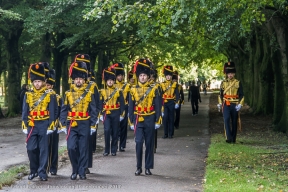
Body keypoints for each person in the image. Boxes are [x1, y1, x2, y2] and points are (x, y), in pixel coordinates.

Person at [59, 61, 98, 180]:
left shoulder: (89, 93)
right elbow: (64, 110)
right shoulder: (67, 94)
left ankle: (81, 171)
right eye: (76, 79)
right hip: (72, 123)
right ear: (73, 80)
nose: (78, 81)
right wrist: (63, 124)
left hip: (85, 123)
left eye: (81, 79)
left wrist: (93, 124)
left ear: (84, 80)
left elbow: (93, 110)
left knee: (83, 148)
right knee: (71, 147)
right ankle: (74, 169)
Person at [22, 63, 56, 181]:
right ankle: (33, 170)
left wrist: (51, 125)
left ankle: (42, 172)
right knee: (31, 148)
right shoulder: (28, 94)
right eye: (35, 81)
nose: (37, 84)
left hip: (44, 124)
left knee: (43, 149)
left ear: (43, 81)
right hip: (32, 125)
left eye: (39, 81)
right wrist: (24, 124)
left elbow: (52, 111)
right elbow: (25, 111)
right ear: (32, 82)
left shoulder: (50, 94)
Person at [128, 58, 162, 176]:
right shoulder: (132, 89)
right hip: (138, 118)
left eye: (144, 75)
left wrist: (158, 120)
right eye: (141, 75)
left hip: (150, 118)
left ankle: (148, 167)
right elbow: (130, 107)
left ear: (148, 76)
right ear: (138, 76)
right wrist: (131, 122)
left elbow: (158, 106)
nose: (142, 77)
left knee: (149, 143)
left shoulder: (154, 89)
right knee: (138, 143)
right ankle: (138, 167)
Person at [75, 54, 101, 174]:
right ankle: (79, 165)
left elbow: (96, 101)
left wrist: (97, 116)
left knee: (88, 143)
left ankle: (86, 165)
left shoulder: (92, 84)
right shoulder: (76, 82)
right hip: (76, 116)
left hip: (89, 116)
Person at [99, 67, 125, 156]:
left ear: (114, 81)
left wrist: (122, 113)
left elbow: (122, 103)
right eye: (108, 80)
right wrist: (100, 114)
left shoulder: (118, 91)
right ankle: (106, 150)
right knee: (106, 130)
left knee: (115, 131)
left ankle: (114, 149)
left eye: (111, 80)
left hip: (116, 112)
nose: (110, 82)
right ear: (106, 81)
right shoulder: (102, 91)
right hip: (106, 113)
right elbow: (100, 104)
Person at [217, 61, 244, 144]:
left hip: (235, 104)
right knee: (226, 119)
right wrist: (220, 103)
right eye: (229, 73)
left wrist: (240, 104)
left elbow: (242, 95)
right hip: (226, 103)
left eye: (232, 73)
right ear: (227, 74)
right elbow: (220, 95)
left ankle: (233, 138)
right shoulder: (223, 83)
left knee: (234, 121)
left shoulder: (238, 83)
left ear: (234, 74)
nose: (230, 75)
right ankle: (228, 137)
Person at [46, 69, 63, 176]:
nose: (47, 87)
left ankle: (53, 167)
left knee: (53, 147)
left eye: (48, 85)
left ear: (52, 86)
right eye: (46, 85)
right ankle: (44, 167)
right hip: (42, 123)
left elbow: (60, 111)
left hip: (54, 124)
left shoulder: (57, 97)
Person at [112, 63, 131, 152]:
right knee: (115, 128)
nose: (120, 77)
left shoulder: (127, 86)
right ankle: (115, 145)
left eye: (121, 75)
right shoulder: (112, 85)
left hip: (125, 107)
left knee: (124, 127)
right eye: (118, 75)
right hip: (115, 108)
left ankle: (122, 145)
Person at [160, 65, 179, 138]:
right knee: (165, 118)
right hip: (164, 102)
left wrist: (177, 102)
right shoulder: (162, 84)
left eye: (169, 75)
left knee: (171, 118)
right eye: (167, 75)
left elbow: (177, 94)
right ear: (165, 76)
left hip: (171, 102)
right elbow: (160, 95)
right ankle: (165, 134)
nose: (168, 77)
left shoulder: (174, 84)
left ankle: (171, 134)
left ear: (171, 76)